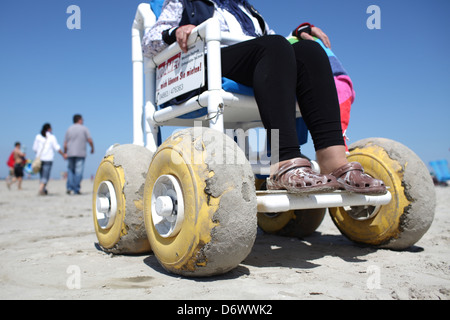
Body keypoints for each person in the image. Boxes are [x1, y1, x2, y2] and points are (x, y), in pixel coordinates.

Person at [143, 0, 386, 194]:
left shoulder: (247, 9)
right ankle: (284, 161)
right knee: (273, 47)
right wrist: (176, 31)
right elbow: (150, 42)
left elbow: (277, 44)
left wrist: (297, 33)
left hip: (257, 59)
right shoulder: (186, 2)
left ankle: (333, 161)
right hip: (206, 64)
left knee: (310, 52)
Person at [32, 123, 67, 195]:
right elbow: (57, 148)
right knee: (46, 175)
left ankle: (44, 189)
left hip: (39, 159)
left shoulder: (38, 136)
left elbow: (34, 148)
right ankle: (41, 189)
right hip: (48, 158)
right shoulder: (52, 137)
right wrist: (63, 154)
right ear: (49, 129)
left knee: (42, 175)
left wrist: (38, 154)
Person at [64, 114, 94, 195]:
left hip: (70, 153)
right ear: (79, 120)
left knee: (70, 171)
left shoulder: (69, 129)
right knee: (78, 172)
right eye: (82, 119)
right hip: (80, 153)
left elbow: (65, 143)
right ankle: (76, 189)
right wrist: (92, 148)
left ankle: (69, 188)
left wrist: (65, 153)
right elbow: (90, 140)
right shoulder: (84, 128)